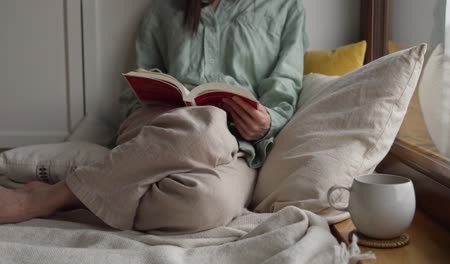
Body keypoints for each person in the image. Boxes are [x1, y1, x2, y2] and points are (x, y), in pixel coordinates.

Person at [0, 0, 308, 233]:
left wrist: (265, 124)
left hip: (236, 145)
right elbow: (135, 92)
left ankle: (74, 195)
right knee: (205, 128)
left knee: (207, 205)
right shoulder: (164, 9)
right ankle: (48, 198)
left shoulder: (284, 7)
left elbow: (285, 88)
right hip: (159, 126)